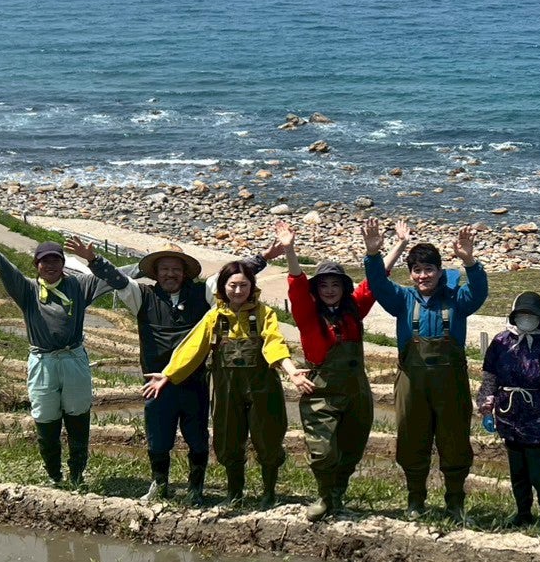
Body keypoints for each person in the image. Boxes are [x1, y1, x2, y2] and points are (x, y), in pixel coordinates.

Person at [0, 230, 128, 487]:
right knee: (45, 418)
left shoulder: (79, 285)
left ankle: (77, 475)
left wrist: (149, 264)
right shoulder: (28, 290)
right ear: (37, 265)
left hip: (73, 360)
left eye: (55, 260)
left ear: (63, 263)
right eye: (44, 261)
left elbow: (118, 277)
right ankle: (54, 476)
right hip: (43, 363)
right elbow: (9, 271)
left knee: (78, 416)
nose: (50, 266)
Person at [112, 242, 278, 505]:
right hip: (156, 383)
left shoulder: (202, 295)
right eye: (164, 269)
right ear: (156, 272)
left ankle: (195, 488)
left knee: (198, 439)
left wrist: (266, 256)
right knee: (158, 439)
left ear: (185, 272)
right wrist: (93, 260)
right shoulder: (143, 296)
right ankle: (160, 484)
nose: (170, 274)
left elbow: (232, 275)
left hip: (195, 382)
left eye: (176, 269)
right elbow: (117, 280)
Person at [144, 259, 312, 508]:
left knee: (268, 437)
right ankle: (234, 495)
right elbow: (193, 348)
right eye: (232, 285)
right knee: (228, 439)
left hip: (262, 387)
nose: (238, 291)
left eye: (243, 285)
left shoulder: (264, 314)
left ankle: (268, 494)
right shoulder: (215, 317)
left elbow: (274, 343)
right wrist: (168, 374)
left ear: (251, 286)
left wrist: (291, 371)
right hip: (226, 388)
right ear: (223, 287)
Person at [278, 218, 406, 521]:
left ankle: (337, 495)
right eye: (324, 285)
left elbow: (376, 280)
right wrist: (290, 250)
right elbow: (296, 283)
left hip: (356, 390)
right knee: (323, 452)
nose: (331, 290)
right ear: (317, 289)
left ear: (343, 288)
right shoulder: (307, 313)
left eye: (336, 284)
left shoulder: (354, 307)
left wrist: (397, 245)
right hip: (321, 390)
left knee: (351, 447)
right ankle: (324, 496)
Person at [364, 223, 488, 524]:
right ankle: (415, 500)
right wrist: (373, 253)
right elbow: (377, 283)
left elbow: (479, 291)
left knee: (455, 440)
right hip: (412, 383)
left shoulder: (457, 301)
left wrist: (470, 261)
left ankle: (455, 503)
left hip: (451, 384)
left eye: (429, 269)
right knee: (411, 438)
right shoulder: (402, 300)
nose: (423, 276)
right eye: (417, 270)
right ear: (410, 274)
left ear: (440, 271)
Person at [477, 292, 540, 534]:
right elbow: (489, 379)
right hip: (509, 417)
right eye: (521, 315)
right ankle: (523, 513)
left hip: (538, 419)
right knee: (518, 472)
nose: (526, 320)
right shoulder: (501, 343)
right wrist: (487, 409)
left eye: (531, 315)